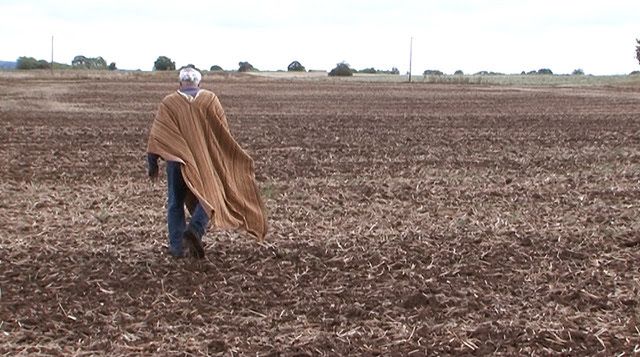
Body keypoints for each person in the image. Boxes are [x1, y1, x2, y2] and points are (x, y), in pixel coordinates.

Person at [146, 67, 267, 258]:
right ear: (199, 83)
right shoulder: (210, 100)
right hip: (204, 162)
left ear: (180, 83)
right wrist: (226, 156)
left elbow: (159, 134)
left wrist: (152, 161)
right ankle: (195, 228)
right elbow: (222, 132)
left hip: (176, 161)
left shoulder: (169, 102)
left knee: (175, 202)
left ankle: (178, 247)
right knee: (212, 195)